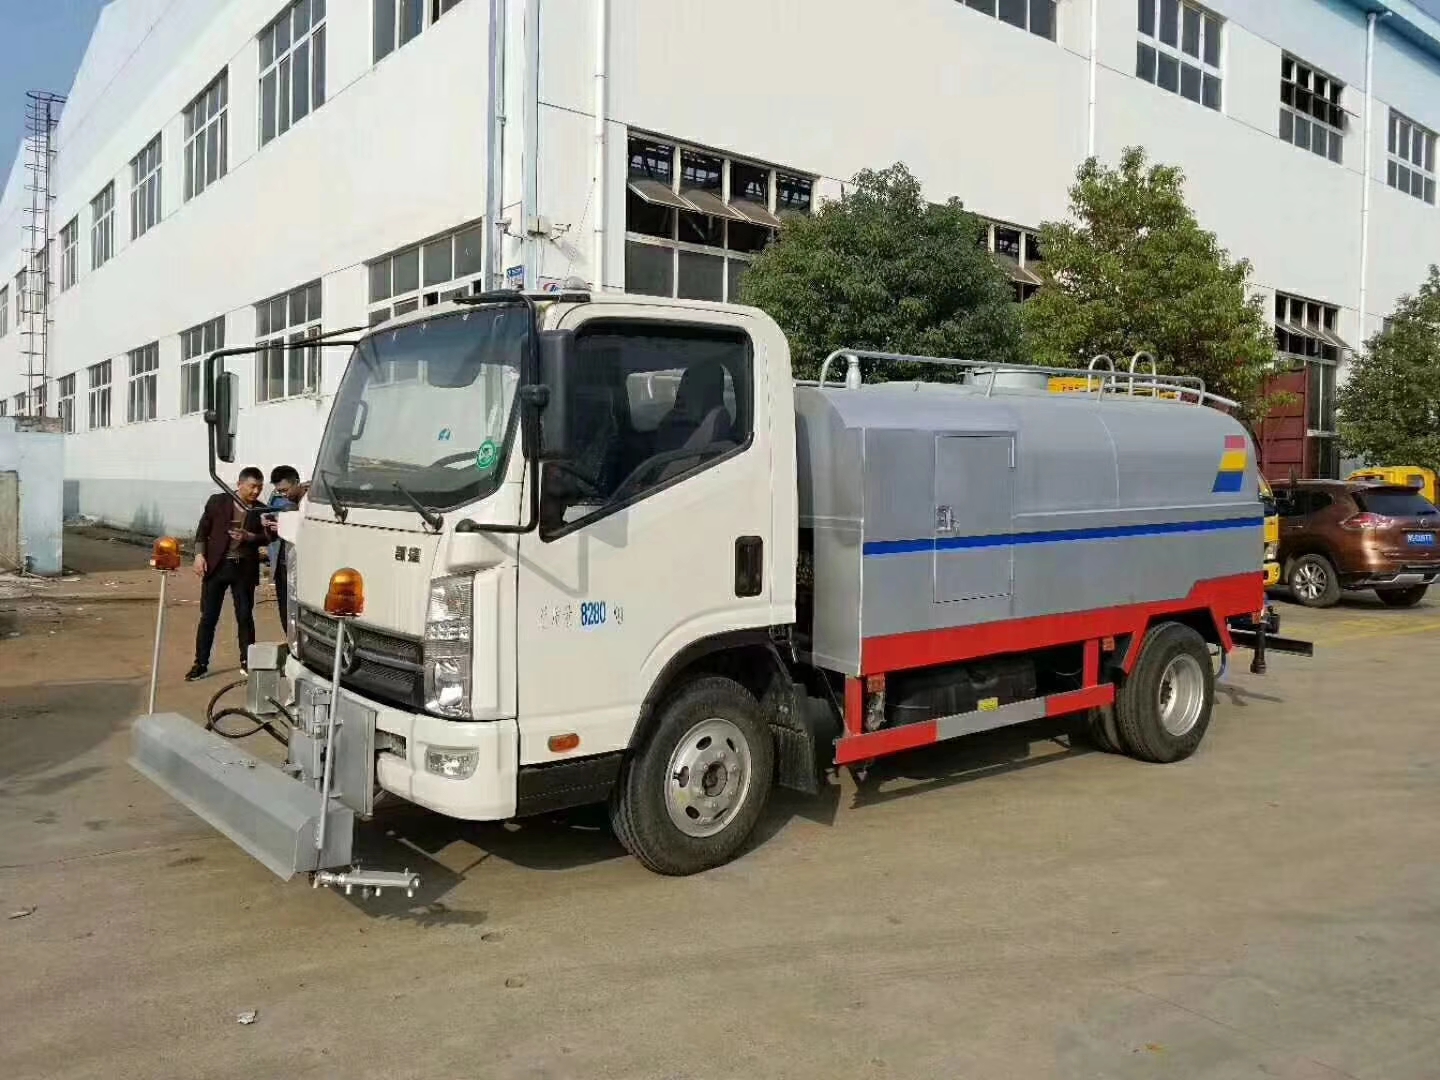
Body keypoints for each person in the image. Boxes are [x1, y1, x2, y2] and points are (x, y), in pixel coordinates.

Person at [186, 467, 267, 681]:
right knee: (208, 617)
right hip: (217, 566)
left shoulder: (261, 509)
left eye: (260, 487)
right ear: (239, 484)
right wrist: (199, 555)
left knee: (245, 616)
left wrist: (250, 537)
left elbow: (269, 537)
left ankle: (247, 661)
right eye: (252, 486)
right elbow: (203, 530)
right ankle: (200, 663)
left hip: (244, 569)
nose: (256, 491)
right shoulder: (218, 502)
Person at [265, 465, 305, 633]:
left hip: (300, 568)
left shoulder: (310, 504)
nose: (284, 495)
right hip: (282, 563)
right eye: (279, 491)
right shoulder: (279, 501)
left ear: (296, 482)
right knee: (284, 609)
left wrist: (285, 527)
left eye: (285, 490)